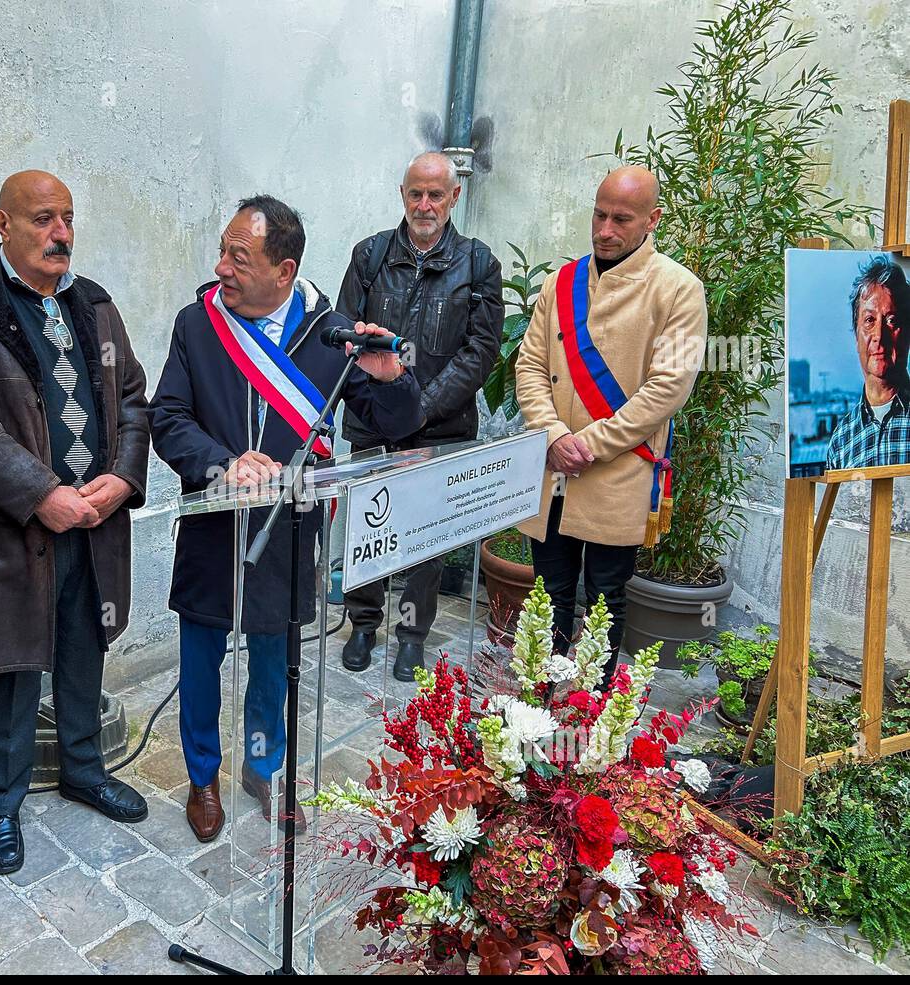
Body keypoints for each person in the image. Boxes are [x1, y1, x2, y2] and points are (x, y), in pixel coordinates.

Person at [150, 195, 422, 843]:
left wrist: (390, 378)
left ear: (284, 268)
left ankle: (264, 766)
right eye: (222, 250)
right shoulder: (197, 325)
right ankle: (202, 777)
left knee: (275, 661)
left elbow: (397, 424)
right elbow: (167, 419)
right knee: (199, 660)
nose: (220, 267)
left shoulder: (333, 334)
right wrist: (220, 461)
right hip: (213, 527)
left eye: (238, 258)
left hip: (292, 531)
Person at [0, 170, 151, 875]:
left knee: (84, 644)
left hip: (96, 521)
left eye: (69, 219)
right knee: (13, 665)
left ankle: (82, 767)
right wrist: (43, 492)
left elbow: (135, 397)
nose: (61, 233)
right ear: (3, 223)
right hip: (16, 527)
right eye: (44, 218)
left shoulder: (96, 304)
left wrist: (123, 474)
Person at [515, 165, 706, 683]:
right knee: (547, 596)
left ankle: (593, 716)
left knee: (605, 602)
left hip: (618, 470)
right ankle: (538, 704)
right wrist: (554, 435)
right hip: (553, 468)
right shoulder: (562, 282)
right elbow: (530, 365)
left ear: (652, 221)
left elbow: (668, 387)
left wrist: (589, 444)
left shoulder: (680, 290)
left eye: (621, 219)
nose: (605, 229)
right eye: (600, 214)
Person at [336, 151, 504, 680]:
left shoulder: (478, 264)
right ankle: (362, 624)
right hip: (372, 424)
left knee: (426, 537)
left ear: (455, 197)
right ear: (403, 195)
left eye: (436, 194)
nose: (424, 204)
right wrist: (386, 406)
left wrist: (417, 408)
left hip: (440, 427)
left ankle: (412, 634)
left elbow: (480, 353)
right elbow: (347, 335)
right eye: (416, 193)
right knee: (370, 525)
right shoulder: (370, 255)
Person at [825, 254, 910, 470]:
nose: (879, 335)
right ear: (856, 336)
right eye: (869, 320)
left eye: (892, 321)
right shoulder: (841, 439)